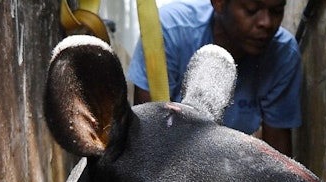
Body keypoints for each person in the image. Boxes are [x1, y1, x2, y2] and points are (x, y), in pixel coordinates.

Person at [128, 0, 300, 155]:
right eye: (251, 10)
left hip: (228, 161)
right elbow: (146, 136)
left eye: (276, 11)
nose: (266, 23)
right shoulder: (168, 32)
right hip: (169, 156)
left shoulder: (282, 54)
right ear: (219, 3)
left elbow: (278, 151)